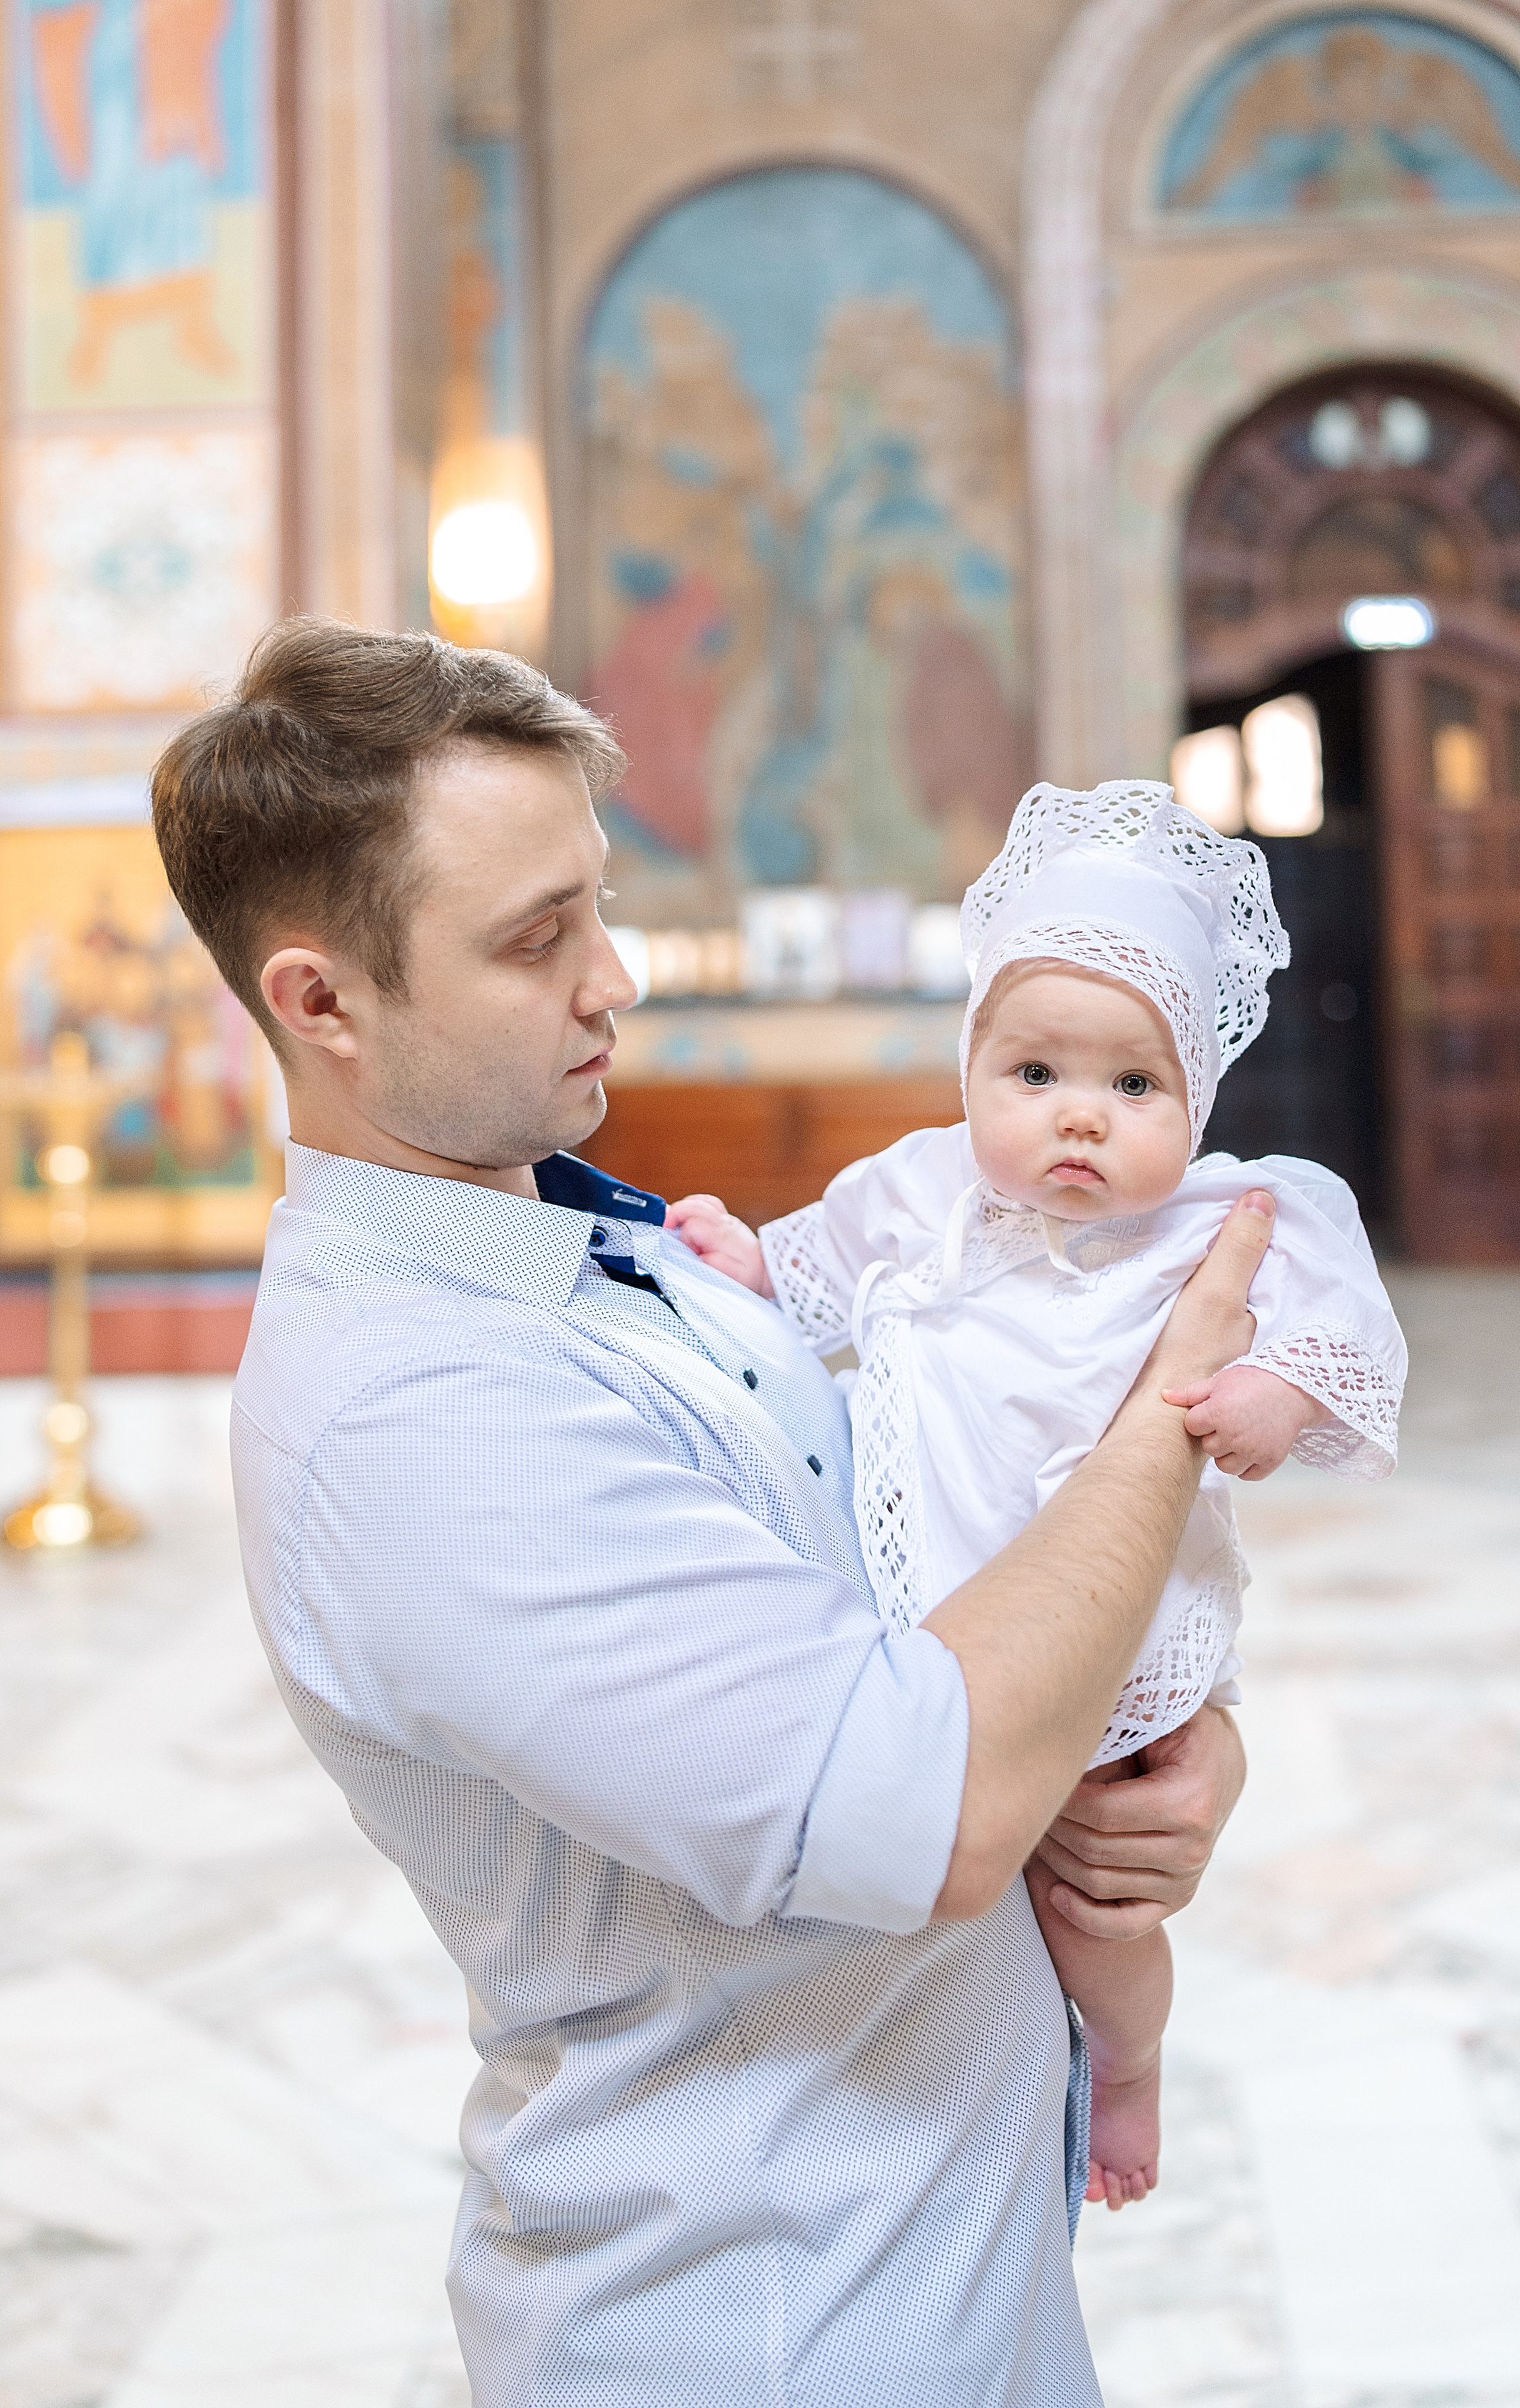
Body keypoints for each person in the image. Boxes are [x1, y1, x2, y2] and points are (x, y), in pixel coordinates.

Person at [151, 622, 1269, 2408]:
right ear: (322, 1002)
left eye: (599, 904)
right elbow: (936, 1798)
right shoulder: (418, 1426)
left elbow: (929, 1593)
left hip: (939, 2252)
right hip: (768, 2317)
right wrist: (1172, 1403)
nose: (615, 980)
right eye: (537, 941)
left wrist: (1172, 1741)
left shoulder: (609, 1254)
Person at [668, 780, 1407, 2214]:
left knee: (1097, 1893)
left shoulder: (1233, 1214)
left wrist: (1277, 1395)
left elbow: (1339, 1323)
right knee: (972, 1848)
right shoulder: (923, 1189)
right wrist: (746, 1260)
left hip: (1129, 1621)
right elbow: (810, 1263)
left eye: (1134, 1088)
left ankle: (1124, 2060)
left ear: (1194, 1097)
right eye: (1034, 1077)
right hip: (944, 1591)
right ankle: (982, 2071)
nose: (1080, 1119)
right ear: (971, 1069)